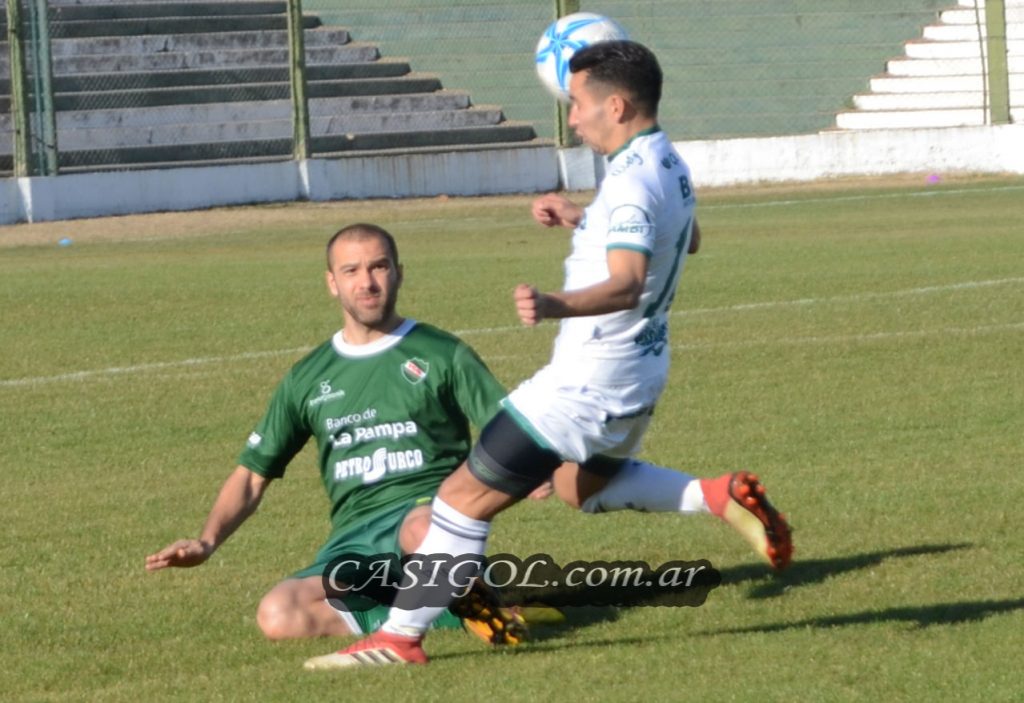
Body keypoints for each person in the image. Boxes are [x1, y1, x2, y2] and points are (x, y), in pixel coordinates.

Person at [305, 40, 793, 670]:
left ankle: (398, 638)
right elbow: (685, 237)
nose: (573, 118)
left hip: (586, 382)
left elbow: (627, 282)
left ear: (615, 106)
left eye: (578, 104)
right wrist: (586, 219)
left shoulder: (630, 181)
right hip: (641, 373)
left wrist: (553, 303)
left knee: (458, 501)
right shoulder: (665, 161)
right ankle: (717, 496)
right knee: (578, 486)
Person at [145, 223, 534, 645]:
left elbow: (509, 429)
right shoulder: (308, 377)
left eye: (378, 267)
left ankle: (470, 602)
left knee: (424, 529)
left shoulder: (442, 353)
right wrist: (206, 542)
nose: (367, 282)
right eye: (351, 271)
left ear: (398, 273)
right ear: (332, 283)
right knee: (278, 614)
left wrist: (532, 471)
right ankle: (451, 612)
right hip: (355, 540)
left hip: (426, 513)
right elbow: (252, 476)